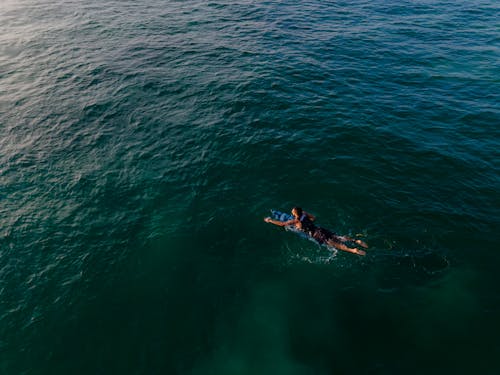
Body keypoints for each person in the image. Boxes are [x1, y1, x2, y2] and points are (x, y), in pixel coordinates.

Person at [264, 207, 368, 256]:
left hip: (315, 234)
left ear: (295, 214)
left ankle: (353, 250)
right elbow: (314, 218)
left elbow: (282, 224)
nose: (291, 213)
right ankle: (356, 241)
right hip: (319, 229)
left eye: (293, 212)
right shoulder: (304, 214)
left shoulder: (295, 221)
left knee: (336, 245)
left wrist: (270, 220)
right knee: (338, 237)